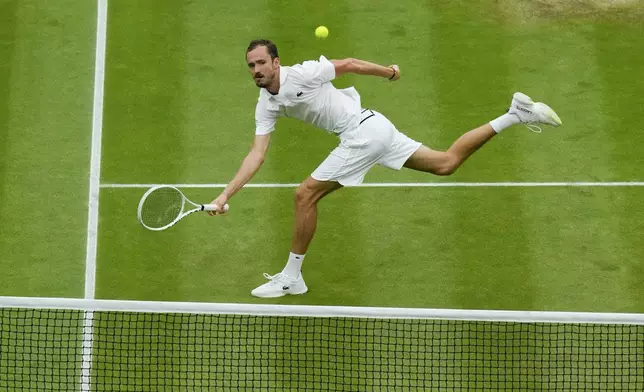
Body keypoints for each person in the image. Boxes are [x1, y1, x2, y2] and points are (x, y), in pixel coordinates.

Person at [208, 39, 562, 298]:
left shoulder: (301, 74)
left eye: (260, 63)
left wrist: (388, 72)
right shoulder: (265, 105)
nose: (255, 70)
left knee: (304, 195)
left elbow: (346, 63)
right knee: (445, 164)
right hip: (376, 127)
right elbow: (256, 154)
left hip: (362, 134)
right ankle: (515, 113)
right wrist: (225, 195)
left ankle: (291, 277)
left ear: (275, 62)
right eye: (250, 66)